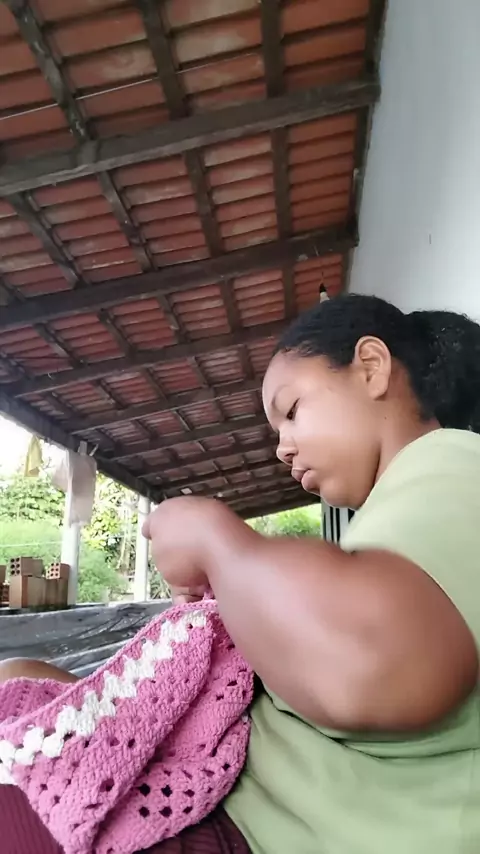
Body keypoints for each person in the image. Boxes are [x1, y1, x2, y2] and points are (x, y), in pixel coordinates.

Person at [2, 293, 480, 853]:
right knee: (18, 677)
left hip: (257, 827)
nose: (282, 450)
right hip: (231, 790)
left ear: (371, 367)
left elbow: (372, 668)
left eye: (291, 410)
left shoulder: (452, 462)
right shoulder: (395, 509)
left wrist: (216, 541)